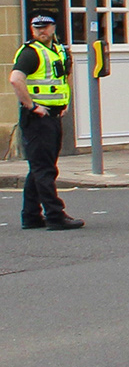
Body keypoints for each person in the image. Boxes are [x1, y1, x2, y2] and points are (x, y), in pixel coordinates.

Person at [9, 14, 82, 230]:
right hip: (38, 118)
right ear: (32, 30)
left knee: (40, 167)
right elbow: (15, 79)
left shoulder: (58, 50)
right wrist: (31, 106)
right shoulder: (31, 53)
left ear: (53, 28)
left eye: (46, 27)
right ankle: (55, 216)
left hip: (52, 116)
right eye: (37, 28)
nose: (42, 31)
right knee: (44, 169)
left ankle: (31, 216)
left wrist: (65, 102)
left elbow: (62, 78)